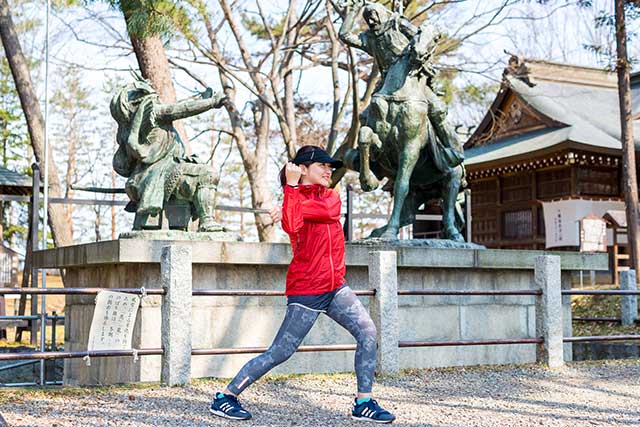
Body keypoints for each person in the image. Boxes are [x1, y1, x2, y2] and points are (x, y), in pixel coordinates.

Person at [209, 145, 396, 424]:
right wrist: (291, 192)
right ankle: (226, 397)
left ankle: (364, 401)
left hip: (335, 287)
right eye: (322, 165)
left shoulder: (331, 197)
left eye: (330, 166)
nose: (329, 170)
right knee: (281, 352)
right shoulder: (292, 197)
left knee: (368, 332)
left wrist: (289, 204)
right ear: (303, 169)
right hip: (307, 289)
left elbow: (319, 212)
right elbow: (292, 225)